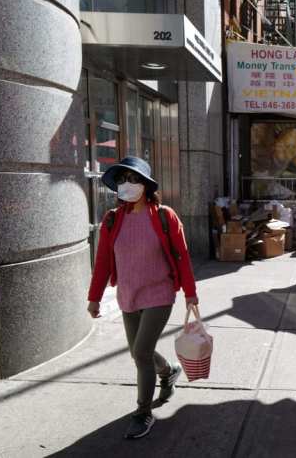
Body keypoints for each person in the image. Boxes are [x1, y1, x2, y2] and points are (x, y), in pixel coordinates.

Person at [87, 156, 198, 440]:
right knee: (140, 351)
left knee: (140, 353)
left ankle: (143, 412)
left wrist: (190, 293)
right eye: (123, 179)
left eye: (134, 179)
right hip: (128, 294)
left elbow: (182, 256)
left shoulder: (164, 215)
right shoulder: (112, 220)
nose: (127, 184)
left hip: (159, 294)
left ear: (146, 186)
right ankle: (169, 370)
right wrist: (95, 297)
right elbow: (102, 262)